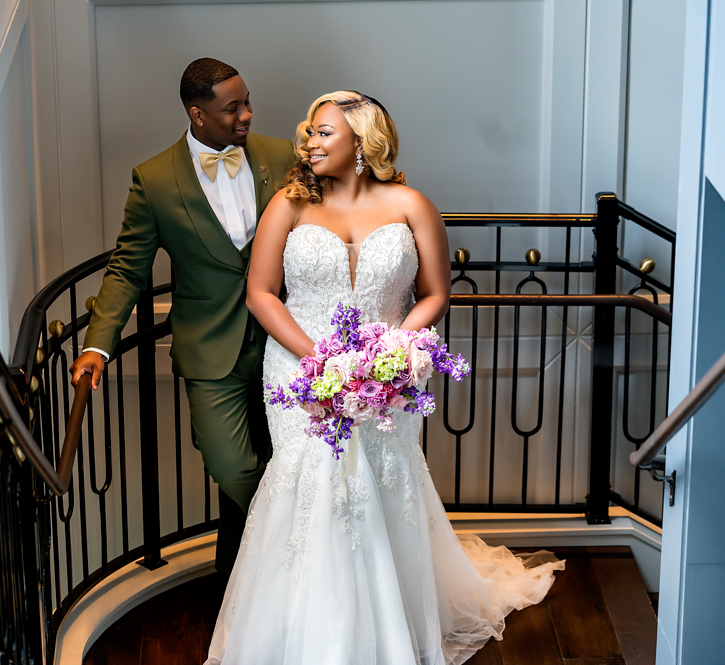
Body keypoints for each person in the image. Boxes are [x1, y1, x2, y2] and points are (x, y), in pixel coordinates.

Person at [205, 91, 564, 665]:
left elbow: (435, 294)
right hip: (300, 371)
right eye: (309, 132)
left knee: (382, 480)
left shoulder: (411, 204)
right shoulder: (289, 206)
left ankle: (388, 624)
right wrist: (317, 358)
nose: (309, 142)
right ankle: (308, 636)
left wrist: (394, 349)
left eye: (324, 132)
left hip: (388, 373)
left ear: (363, 142)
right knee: (310, 484)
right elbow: (260, 293)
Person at [70, 58, 295, 584]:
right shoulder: (153, 181)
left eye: (247, 102)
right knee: (236, 468)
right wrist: (96, 346)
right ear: (197, 115)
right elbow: (127, 271)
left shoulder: (281, 156)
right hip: (211, 354)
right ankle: (302, 547)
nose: (247, 114)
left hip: (287, 345)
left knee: (294, 454)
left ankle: (254, 593)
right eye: (232, 108)